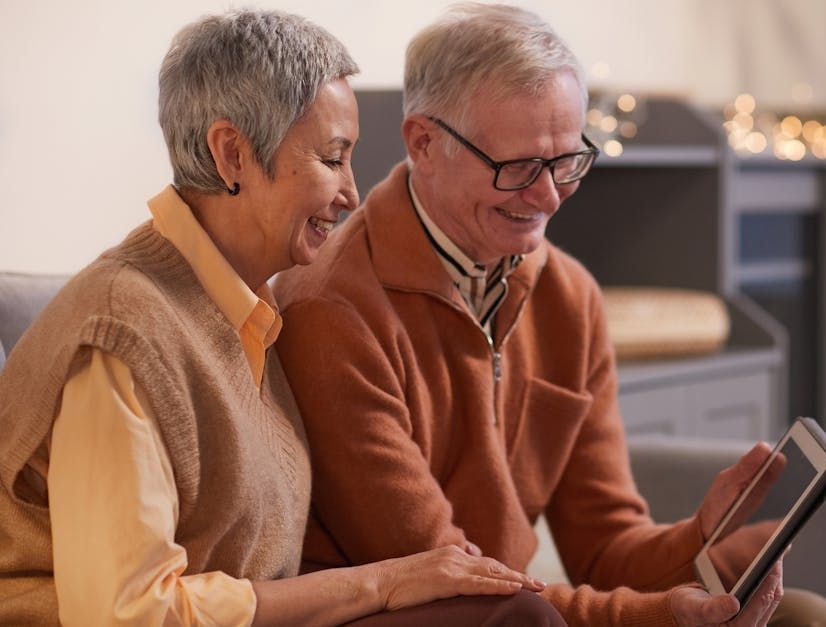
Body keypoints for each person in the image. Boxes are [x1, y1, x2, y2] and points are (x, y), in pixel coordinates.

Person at [0, 9, 565, 626]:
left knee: (508, 612)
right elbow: (129, 615)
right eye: (331, 159)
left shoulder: (247, 311)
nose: (351, 193)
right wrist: (380, 584)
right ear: (233, 154)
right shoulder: (121, 332)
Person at [272, 3, 802, 625]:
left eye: (567, 160)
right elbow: (450, 576)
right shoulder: (332, 310)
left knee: (798, 608)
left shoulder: (570, 297)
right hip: (414, 611)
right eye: (518, 167)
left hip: (517, 604)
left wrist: (702, 538)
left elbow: (604, 549)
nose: (549, 196)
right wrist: (655, 614)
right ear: (423, 142)